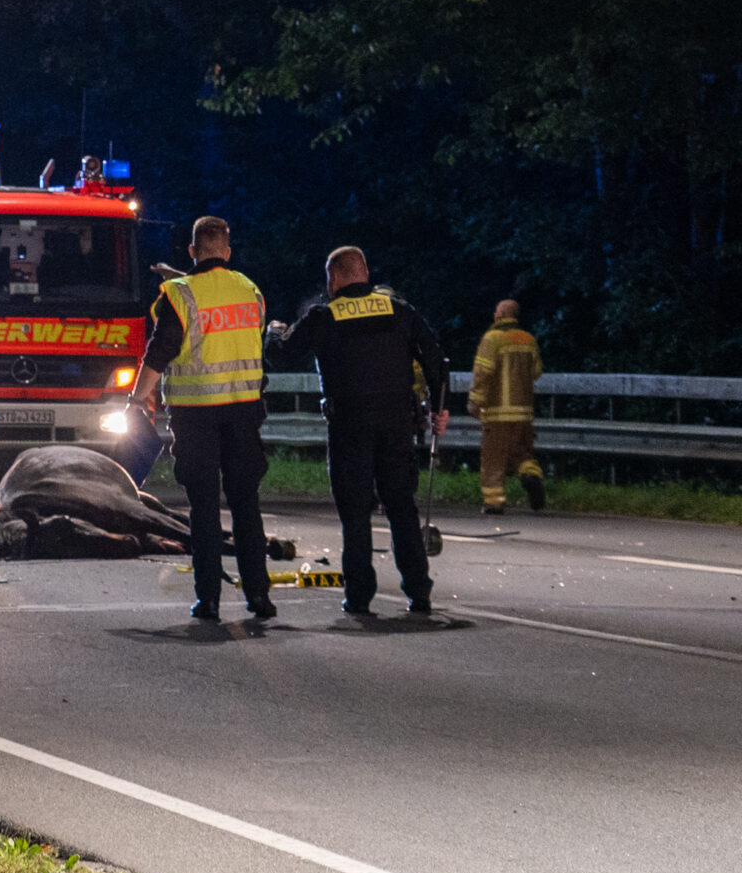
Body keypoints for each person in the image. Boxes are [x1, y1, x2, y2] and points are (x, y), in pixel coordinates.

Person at [281, 246, 449, 616]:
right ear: (366, 272)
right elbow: (436, 359)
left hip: (350, 426)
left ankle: (358, 597)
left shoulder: (324, 316)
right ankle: (419, 592)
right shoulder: (400, 311)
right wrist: (440, 409)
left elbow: (283, 355)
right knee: (402, 507)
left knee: (355, 513)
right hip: (396, 424)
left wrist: (276, 334)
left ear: (335, 278)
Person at [129, 216, 275, 622]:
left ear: (192, 251)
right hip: (245, 413)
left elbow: (159, 353)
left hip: (196, 417)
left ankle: (208, 600)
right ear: (227, 252)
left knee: (204, 508)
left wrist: (136, 399)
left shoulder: (179, 294)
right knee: (247, 505)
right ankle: (259, 597)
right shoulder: (251, 291)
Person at [471, 299, 543, 514]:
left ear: (500, 313)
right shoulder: (528, 339)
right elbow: (536, 371)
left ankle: (494, 502)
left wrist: (475, 400)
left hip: (497, 413)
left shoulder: (492, 339)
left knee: (493, 458)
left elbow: (483, 372)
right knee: (523, 453)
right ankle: (532, 476)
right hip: (523, 413)